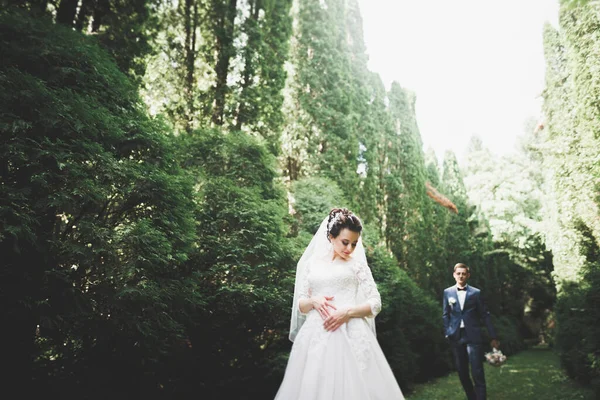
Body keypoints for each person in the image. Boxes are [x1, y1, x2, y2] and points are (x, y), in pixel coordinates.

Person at [275, 208, 405, 400]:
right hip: (315, 338)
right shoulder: (312, 264)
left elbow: (375, 303)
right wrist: (314, 301)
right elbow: (301, 305)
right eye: (345, 242)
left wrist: (348, 312)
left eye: (354, 244)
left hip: (351, 334)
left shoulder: (357, 265)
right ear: (330, 236)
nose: (350, 249)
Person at [443, 263, 500, 400]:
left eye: (464, 273)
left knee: (477, 371)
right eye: (458, 273)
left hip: (473, 336)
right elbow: (445, 314)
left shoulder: (476, 293)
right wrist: (447, 331)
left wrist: (493, 336)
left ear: (468, 275)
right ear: (454, 275)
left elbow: (485, 315)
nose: (461, 276)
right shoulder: (447, 292)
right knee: (462, 372)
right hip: (456, 336)